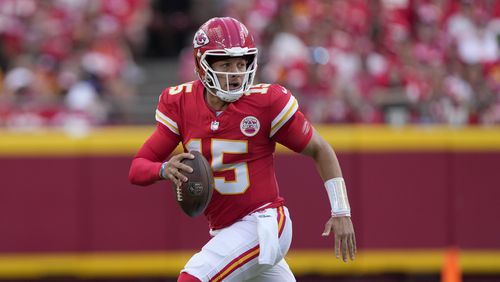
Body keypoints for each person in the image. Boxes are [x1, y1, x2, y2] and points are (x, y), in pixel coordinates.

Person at [129, 17, 356, 282]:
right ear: (202, 66)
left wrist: (341, 211)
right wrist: (165, 169)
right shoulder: (180, 103)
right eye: (226, 64)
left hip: (264, 223)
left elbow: (320, 149)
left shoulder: (266, 102)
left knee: (192, 278)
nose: (236, 72)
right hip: (226, 232)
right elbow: (137, 168)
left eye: (241, 63)